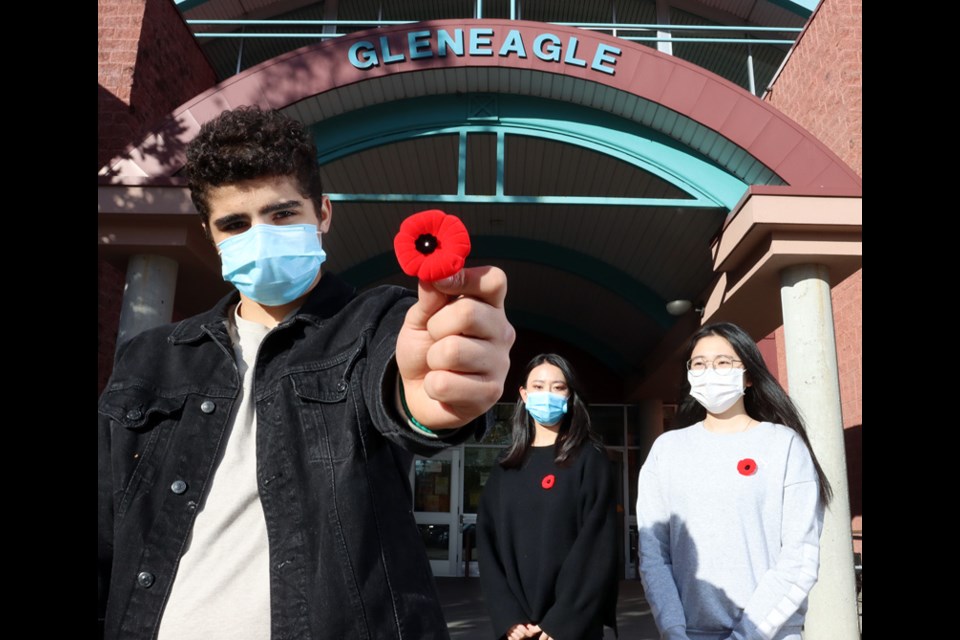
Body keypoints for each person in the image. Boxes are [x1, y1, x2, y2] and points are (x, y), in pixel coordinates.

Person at [97, 106, 516, 640]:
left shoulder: (376, 321)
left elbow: (399, 388)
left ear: (322, 213)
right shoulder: (151, 358)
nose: (261, 236)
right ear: (209, 234)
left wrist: (430, 404)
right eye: (235, 223)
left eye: (281, 214)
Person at [635, 322, 832, 640]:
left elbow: (800, 555)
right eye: (699, 364)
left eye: (723, 362)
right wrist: (673, 629)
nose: (709, 371)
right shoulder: (667, 450)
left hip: (770, 634)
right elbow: (655, 553)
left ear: (749, 375)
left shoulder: (783, 445)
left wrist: (746, 635)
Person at [477, 354, 619, 640]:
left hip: (569, 628)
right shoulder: (506, 465)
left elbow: (597, 547)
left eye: (558, 387)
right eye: (539, 387)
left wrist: (561, 622)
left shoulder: (589, 460)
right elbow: (487, 543)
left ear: (569, 396)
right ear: (524, 394)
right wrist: (508, 616)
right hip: (517, 630)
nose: (548, 395)